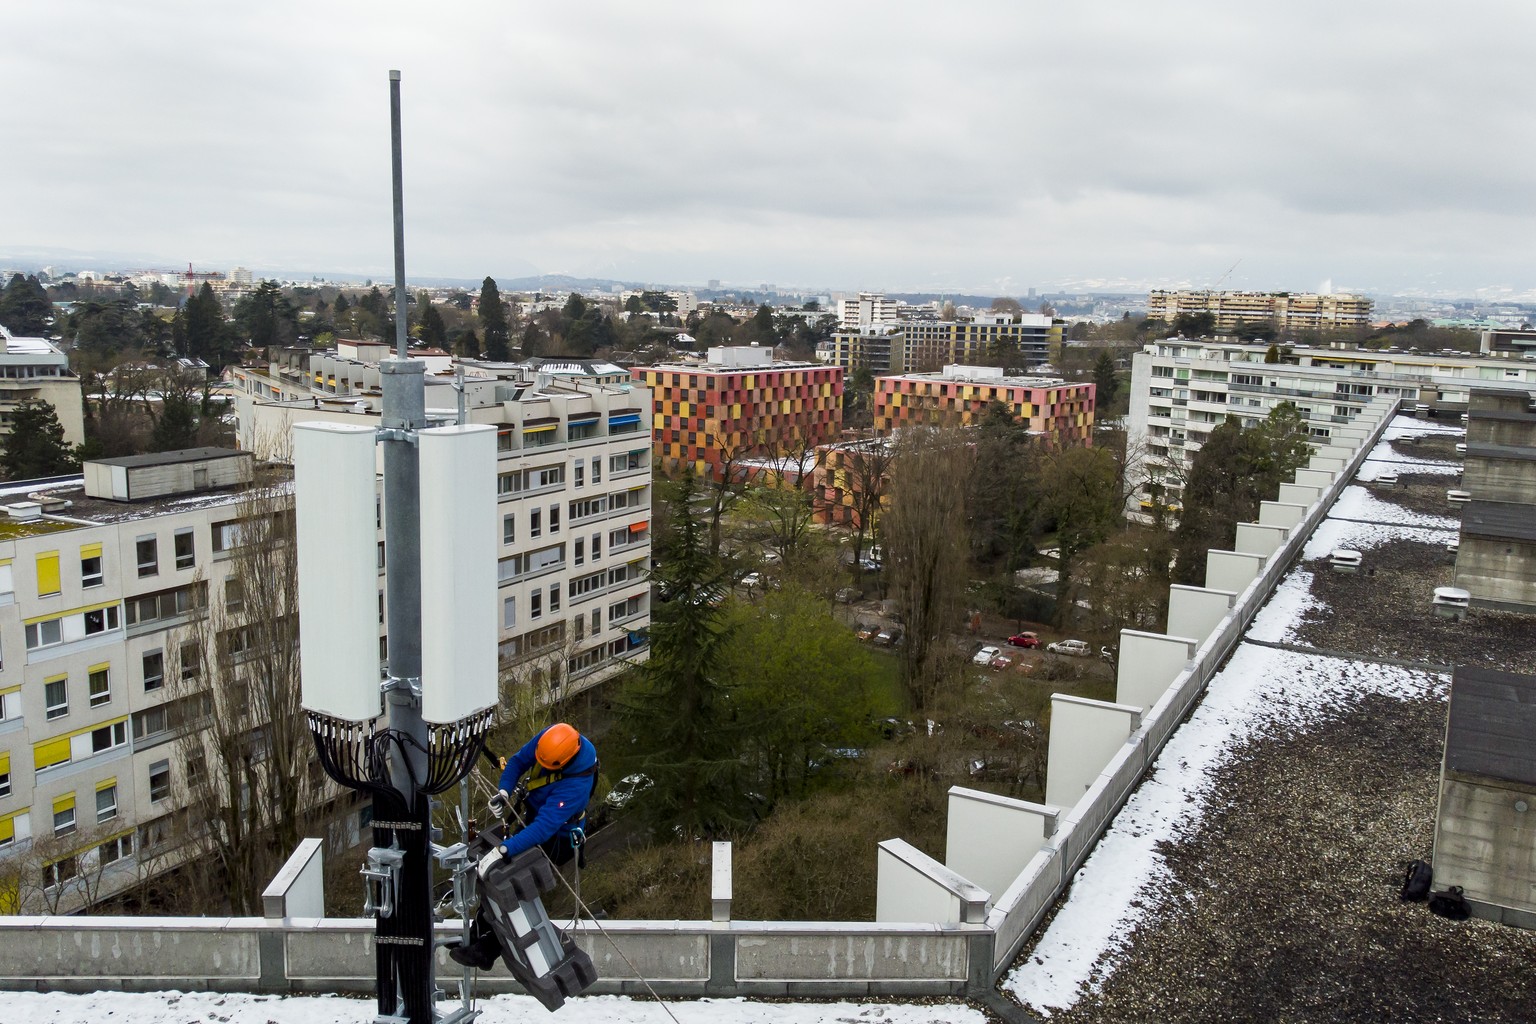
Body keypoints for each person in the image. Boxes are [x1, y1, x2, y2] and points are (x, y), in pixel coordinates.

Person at [448, 723, 598, 970]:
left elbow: (543, 829)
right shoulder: (553, 741)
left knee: (515, 889)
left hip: (556, 839)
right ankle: (476, 938)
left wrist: (504, 850)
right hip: (536, 820)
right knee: (495, 880)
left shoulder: (575, 786)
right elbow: (518, 762)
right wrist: (504, 792)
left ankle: (487, 950)